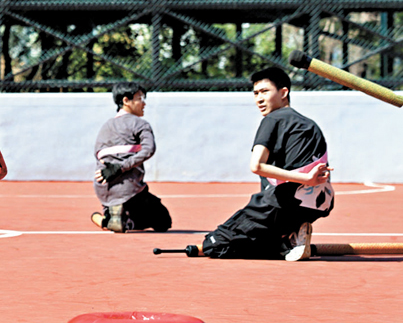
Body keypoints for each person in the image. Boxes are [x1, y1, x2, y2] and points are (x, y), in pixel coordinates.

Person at [202, 67, 334, 261]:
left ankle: (284, 245)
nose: (259, 99)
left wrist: (305, 178)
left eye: (265, 92)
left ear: (284, 92)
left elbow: (256, 166)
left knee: (214, 245)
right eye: (255, 94)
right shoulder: (311, 124)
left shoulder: (273, 119)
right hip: (318, 205)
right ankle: (291, 235)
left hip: (280, 204)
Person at [91, 82, 171, 233]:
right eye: (139, 98)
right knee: (163, 221)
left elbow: (99, 155)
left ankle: (111, 214)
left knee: (132, 209)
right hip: (131, 188)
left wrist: (112, 169)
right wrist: (121, 167)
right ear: (126, 101)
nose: (144, 103)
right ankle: (117, 220)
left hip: (104, 188)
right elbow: (149, 150)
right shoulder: (141, 124)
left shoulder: (105, 126)